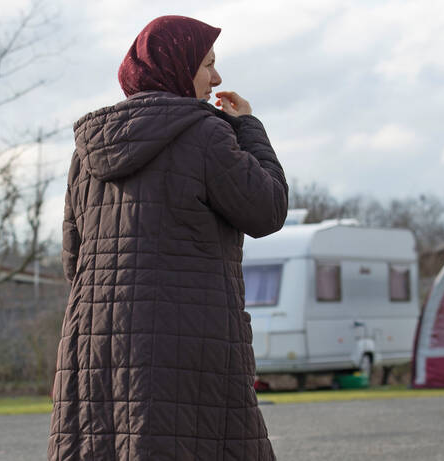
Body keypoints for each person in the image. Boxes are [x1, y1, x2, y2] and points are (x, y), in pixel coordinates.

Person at [48, 16, 287, 460]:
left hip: (94, 350)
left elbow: (72, 264)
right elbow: (268, 209)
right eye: (208, 64)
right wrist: (249, 128)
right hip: (189, 342)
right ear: (177, 67)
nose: (216, 78)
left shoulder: (86, 154)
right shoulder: (206, 134)